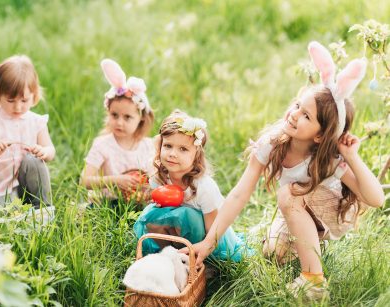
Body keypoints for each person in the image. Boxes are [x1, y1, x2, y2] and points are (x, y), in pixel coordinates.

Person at [185, 41, 385, 300]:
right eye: (298, 106)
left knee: (288, 195)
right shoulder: (274, 143)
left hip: (329, 215)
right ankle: (302, 249)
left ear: (320, 135)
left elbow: (376, 199)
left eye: (306, 116)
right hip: (300, 212)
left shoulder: (327, 159)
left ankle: (313, 283)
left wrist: (352, 157)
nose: (294, 115)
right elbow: (239, 194)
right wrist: (210, 241)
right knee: (272, 253)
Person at [134, 110, 252, 261]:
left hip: (209, 238)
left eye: (183, 149)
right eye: (168, 146)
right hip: (179, 235)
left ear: (196, 154)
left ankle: (200, 263)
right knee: (153, 214)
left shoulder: (203, 187)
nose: (172, 154)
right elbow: (164, 216)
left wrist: (205, 249)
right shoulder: (159, 178)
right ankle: (171, 257)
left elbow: (212, 231)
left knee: (189, 215)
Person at [0, 55, 55, 208]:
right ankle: (14, 209)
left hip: (30, 186)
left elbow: (50, 150)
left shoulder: (37, 122)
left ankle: (42, 206)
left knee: (33, 160)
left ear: (34, 95)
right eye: (10, 101)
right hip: (0, 190)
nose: (18, 108)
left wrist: (43, 152)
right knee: (9, 215)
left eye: (24, 101)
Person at [80, 59, 154, 205]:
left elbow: (156, 179)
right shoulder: (103, 145)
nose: (119, 122)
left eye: (127, 117)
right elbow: (85, 181)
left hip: (139, 203)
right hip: (107, 202)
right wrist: (115, 181)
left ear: (142, 119)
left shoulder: (148, 146)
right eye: (114, 115)